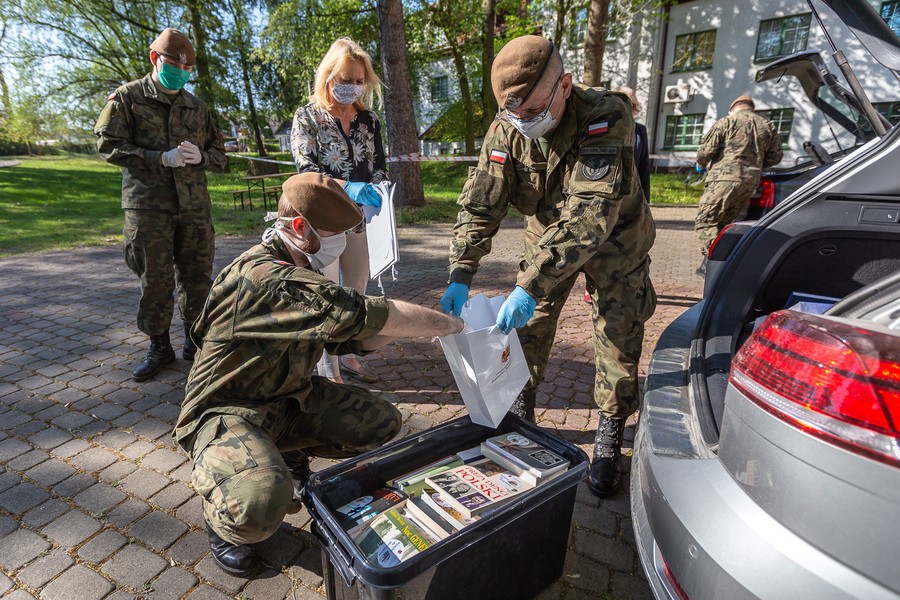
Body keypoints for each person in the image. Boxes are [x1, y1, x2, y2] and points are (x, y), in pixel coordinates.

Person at [173, 173, 464, 577]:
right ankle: (227, 523)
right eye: (334, 234)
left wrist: (400, 333)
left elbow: (352, 338)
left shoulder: (303, 265)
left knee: (381, 422)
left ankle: (287, 452)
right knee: (259, 504)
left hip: (288, 399)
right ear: (298, 228)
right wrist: (448, 325)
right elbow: (372, 313)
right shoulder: (266, 279)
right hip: (227, 412)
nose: (341, 243)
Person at [439, 35, 656, 499]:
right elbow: (481, 205)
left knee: (618, 336)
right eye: (514, 114)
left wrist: (530, 284)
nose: (524, 121)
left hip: (614, 243)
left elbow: (590, 215)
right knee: (528, 331)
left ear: (566, 85)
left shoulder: (606, 115)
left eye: (534, 109)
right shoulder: (507, 128)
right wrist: (461, 270)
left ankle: (611, 432)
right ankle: (521, 415)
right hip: (546, 241)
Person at [94, 28, 226, 382]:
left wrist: (201, 157)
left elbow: (221, 156)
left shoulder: (197, 108)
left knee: (197, 279)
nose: (181, 72)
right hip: (148, 208)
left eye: (187, 68)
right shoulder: (127, 99)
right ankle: (159, 347)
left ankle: (194, 344)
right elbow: (108, 146)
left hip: (194, 207)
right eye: (174, 64)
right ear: (155, 59)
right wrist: (157, 158)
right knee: (155, 280)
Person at [291, 37, 387, 385]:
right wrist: (347, 186)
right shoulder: (308, 117)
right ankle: (326, 366)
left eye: (359, 80)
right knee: (328, 291)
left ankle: (348, 353)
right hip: (323, 222)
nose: (352, 87)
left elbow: (379, 165)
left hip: (360, 220)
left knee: (358, 287)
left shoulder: (369, 120)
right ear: (328, 76)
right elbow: (306, 170)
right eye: (345, 79)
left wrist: (380, 187)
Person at [694, 95, 783, 273]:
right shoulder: (767, 126)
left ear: (733, 108)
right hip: (749, 183)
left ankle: (714, 264)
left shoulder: (727, 122)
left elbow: (706, 151)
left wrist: (700, 164)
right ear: (751, 108)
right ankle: (720, 262)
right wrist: (753, 165)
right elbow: (776, 156)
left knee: (707, 221)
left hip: (723, 180)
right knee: (727, 223)